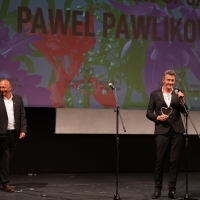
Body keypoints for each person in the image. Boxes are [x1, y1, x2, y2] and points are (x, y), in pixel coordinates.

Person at [146, 70, 188, 199]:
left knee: (174, 161)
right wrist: (158, 118)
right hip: (162, 131)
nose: (170, 83)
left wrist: (182, 99)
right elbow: (148, 113)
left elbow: (185, 112)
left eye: (173, 81)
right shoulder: (155, 94)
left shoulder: (177, 93)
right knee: (160, 160)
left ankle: (172, 190)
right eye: (168, 80)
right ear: (163, 80)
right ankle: (158, 189)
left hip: (177, 131)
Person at [0, 79, 27, 193]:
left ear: (10, 88)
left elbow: (22, 116)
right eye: (0, 87)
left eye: (3, 87)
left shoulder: (18, 99)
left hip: (14, 134)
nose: (1, 90)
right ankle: (6, 183)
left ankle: (2, 180)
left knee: (6, 159)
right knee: (5, 158)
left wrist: (23, 130)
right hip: (2, 134)